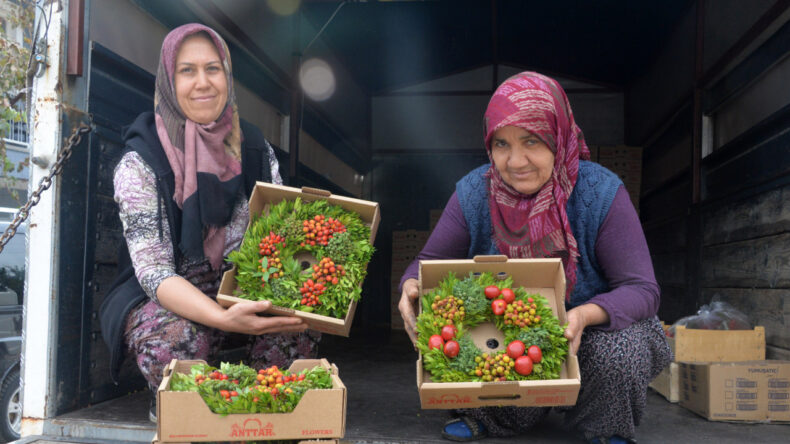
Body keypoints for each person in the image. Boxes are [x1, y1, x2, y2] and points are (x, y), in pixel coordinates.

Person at [398, 72, 670, 443]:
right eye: (501, 144)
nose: (515, 161)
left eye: (532, 141)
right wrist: (410, 285)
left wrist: (583, 315)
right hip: (512, 328)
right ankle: (495, 418)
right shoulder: (475, 192)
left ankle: (606, 429)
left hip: (591, 332)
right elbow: (427, 262)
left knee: (621, 350)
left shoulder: (601, 193)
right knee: (470, 330)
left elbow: (642, 289)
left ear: (558, 138)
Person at [99, 23, 319, 422]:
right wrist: (221, 317)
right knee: (179, 341)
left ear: (227, 76)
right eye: (187, 70)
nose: (203, 83)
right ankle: (174, 398)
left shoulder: (254, 148)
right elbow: (154, 272)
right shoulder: (141, 162)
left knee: (295, 326)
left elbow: (280, 236)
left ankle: (260, 403)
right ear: (169, 79)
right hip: (166, 297)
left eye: (213, 68)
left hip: (239, 286)